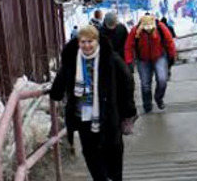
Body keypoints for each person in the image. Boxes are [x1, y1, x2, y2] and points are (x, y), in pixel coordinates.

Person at [50, 25, 136, 181]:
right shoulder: (72, 60)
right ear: (78, 43)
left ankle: (115, 177)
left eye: (90, 41)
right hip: (83, 115)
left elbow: (127, 80)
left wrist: (127, 110)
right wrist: (55, 92)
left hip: (108, 114)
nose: (87, 45)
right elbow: (61, 79)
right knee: (90, 151)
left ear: (97, 41)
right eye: (83, 42)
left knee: (113, 150)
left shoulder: (109, 58)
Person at [124, 14, 176, 113]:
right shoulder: (136, 31)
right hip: (143, 59)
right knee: (145, 84)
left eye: (150, 28)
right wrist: (129, 61)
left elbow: (169, 41)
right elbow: (128, 46)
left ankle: (158, 98)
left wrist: (171, 55)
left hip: (159, 57)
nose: (148, 30)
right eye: (146, 28)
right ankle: (147, 105)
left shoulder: (160, 27)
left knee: (162, 79)